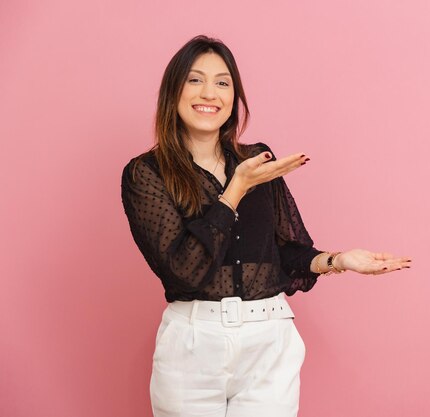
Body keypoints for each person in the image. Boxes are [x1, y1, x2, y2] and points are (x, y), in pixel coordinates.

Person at [120, 35, 411, 417]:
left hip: (269, 339)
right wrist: (236, 188)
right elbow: (184, 270)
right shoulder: (147, 173)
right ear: (173, 91)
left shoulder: (258, 159)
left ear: (234, 98)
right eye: (195, 80)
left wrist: (339, 260)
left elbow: (283, 251)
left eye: (223, 83)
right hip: (193, 346)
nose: (210, 92)